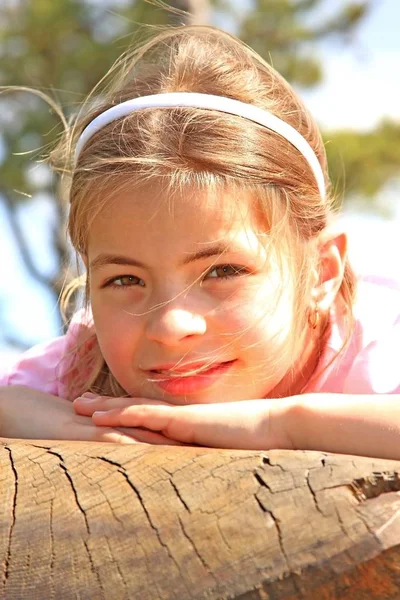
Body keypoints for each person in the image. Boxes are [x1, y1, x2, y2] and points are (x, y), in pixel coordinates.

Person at [0, 25, 399, 457]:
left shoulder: (380, 350)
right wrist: (70, 423)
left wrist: (283, 424)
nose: (171, 326)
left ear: (321, 272)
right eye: (125, 280)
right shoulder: (84, 366)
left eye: (223, 271)